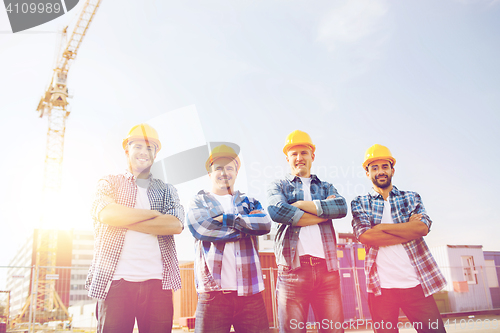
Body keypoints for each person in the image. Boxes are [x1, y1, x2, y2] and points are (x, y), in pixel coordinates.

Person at [86, 123, 184, 333]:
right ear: (126, 149)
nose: (144, 152)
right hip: (115, 283)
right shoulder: (109, 182)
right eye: (138, 146)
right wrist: (153, 215)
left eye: (150, 148)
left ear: (156, 154)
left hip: (158, 283)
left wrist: (124, 217)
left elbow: (175, 224)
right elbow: (107, 214)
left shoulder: (166, 190)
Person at [351, 144, 447, 333]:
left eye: (385, 167)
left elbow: (422, 228)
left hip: (416, 285)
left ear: (392, 169)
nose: (380, 172)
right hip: (381, 289)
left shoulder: (411, 198)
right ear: (367, 172)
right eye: (374, 167)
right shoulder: (360, 202)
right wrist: (406, 229)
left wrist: (382, 228)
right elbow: (366, 236)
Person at [267, 130, 347, 333]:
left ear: (312, 156)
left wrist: (300, 204)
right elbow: (277, 211)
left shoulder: (326, 186)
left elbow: (341, 208)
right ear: (287, 158)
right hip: (292, 272)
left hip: (327, 271)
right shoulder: (279, 186)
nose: (299, 158)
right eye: (294, 154)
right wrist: (324, 213)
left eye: (303, 152)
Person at [186, 144, 271, 333]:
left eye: (230, 167)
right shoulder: (199, 201)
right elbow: (201, 228)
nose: (224, 172)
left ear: (237, 172)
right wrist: (246, 228)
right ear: (210, 173)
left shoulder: (249, 201)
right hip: (213, 296)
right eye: (219, 167)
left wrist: (224, 219)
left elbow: (264, 224)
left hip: (251, 294)